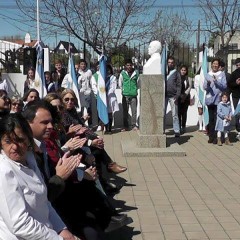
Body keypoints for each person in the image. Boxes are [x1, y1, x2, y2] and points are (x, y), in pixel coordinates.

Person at [0, 113, 78, 239]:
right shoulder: (4, 171)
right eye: (8, 141)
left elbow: (44, 201)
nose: (14, 147)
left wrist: (61, 229)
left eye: (20, 140)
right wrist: (57, 238)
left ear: (28, 138)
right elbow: (20, 225)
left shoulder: (29, 158)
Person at [203, 58, 227, 144]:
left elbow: (224, 86)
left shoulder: (222, 74)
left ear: (219, 65)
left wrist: (216, 81)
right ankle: (211, 136)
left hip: (219, 99)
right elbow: (204, 87)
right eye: (214, 63)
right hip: (210, 100)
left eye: (217, 64)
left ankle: (218, 137)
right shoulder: (208, 74)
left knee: (218, 119)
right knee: (211, 119)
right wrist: (208, 84)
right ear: (211, 64)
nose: (215, 65)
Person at [118, 59, 139, 131]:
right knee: (125, 112)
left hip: (133, 95)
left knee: (134, 111)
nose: (129, 66)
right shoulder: (122, 73)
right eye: (127, 65)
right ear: (125, 66)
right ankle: (126, 126)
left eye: (130, 65)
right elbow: (120, 83)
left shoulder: (136, 73)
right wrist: (123, 90)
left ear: (132, 65)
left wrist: (135, 89)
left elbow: (138, 83)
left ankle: (134, 125)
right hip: (125, 95)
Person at [165, 56, 181, 137]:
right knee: (162, 114)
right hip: (164, 96)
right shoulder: (164, 71)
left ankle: (177, 131)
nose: (170, 64)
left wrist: (177, 95)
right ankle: (162, 130)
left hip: (173, 96)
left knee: (175, 115)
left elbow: (179, 85)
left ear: (174, 63)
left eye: (172, 62)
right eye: (169, 62)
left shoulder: (176, 73)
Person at [78, 59, 93, 127]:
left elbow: (91, 82)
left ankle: (90, 125)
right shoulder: (78, 72)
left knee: (89, 109)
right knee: (80, 109)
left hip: (88, 93)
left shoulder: (89, 72)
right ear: (79, 65)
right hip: (80, 93)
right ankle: (81, 125)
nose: (83, 65)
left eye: (84, 64)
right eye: (81, 64)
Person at [178, 65, 192, 134]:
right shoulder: (177, 78)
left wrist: (185, 95)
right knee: (178, 113)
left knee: (184, 113)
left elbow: (189, 87)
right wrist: (180, 95)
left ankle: (183, 126)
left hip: (186, 98)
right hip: (178, 98)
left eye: (184, 70)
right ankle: (178, 127)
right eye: (182, 70)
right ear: (180, 70)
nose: (183, 71)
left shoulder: (188, 78)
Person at [228, 58, 240, 140]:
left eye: (239, 64)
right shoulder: (233, 74)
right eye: (237, 65)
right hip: (236, 96)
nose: (238, 66)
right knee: (237, 114)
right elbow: (230, 84)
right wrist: (236, 83)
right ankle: (238, 130)